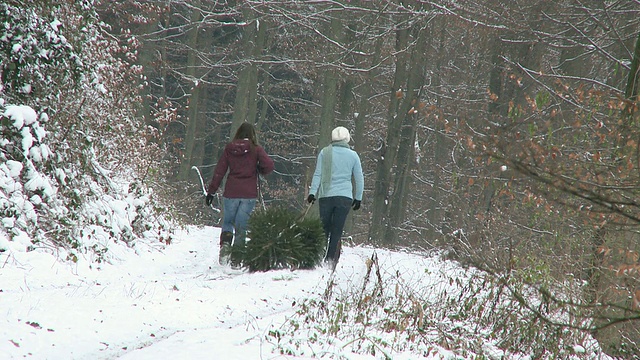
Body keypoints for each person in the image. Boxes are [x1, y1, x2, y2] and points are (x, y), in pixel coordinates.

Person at [206, 123, 274, 263]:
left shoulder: (229, 148)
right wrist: (259, 169)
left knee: (228, 221)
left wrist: (211, 191)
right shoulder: (256, 149)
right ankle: (237, 258)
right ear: (252, 135)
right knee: (242, 226)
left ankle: (225, 246)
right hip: (248, 194)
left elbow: (220, 171)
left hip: (231, 192)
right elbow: (269, 165)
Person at [308, 126, 364, 269]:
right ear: (347, 138)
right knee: (337, 229)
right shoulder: (353, 155)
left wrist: (312, 192)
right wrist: (358, 197)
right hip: (344, 197)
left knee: (324, 228)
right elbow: (359, 178)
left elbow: (318, 174)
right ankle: (330, 259)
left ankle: (318, 256)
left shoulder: (324, 153)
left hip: (326, 196)